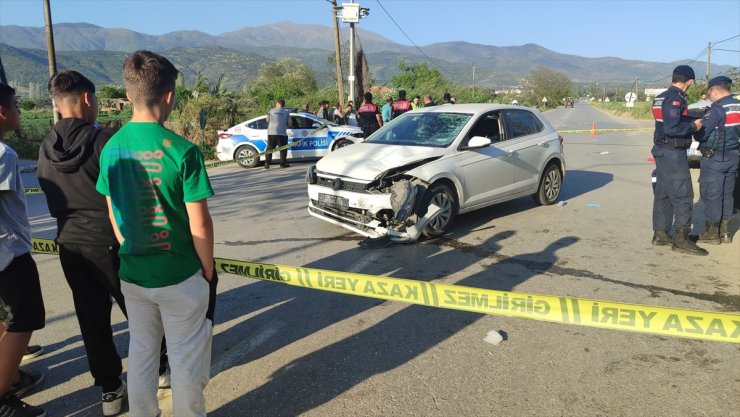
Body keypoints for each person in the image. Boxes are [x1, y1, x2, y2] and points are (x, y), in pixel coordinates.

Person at [37, 70, 168, 416]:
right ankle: (161, 368)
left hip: (69, 242)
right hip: (109, 241)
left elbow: (51, 199)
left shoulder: (46, 145)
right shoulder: (104, 141)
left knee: (91, 318)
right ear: (86, 99)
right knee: (139, 309)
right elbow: (129, 193)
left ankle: (109, 389)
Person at [96, 50, 217, 417]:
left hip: (133, 274)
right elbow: (200, 225)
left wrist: (130, 249)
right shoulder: (184, 152)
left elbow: (114, 214)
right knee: (184, 360)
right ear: (168, 95)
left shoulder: (111, 148)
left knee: (142, 353)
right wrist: (207, 272)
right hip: (179, 276)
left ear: (129, 94)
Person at [0, 83, 46, 416]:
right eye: (16, 105)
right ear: (2, 112)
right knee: (22, 321)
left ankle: (11, 377)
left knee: (3, 319)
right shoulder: (3, 155)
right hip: (8, 255)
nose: (19, 111)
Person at [650, 65, 705, 255]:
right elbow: (672, 128)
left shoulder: (661, 96)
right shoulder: (675, 98)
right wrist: (694, 126)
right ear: (689, 81)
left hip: (662, 150)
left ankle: (661, 233)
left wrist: (689, 119)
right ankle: (682, 238)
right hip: (672, 152)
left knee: (663, 193)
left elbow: (669, 122)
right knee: (683, 194)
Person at [696, 76, 739, 244]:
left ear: (715, 91)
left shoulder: (717, 109)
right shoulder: (737, 105)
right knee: (728, 194)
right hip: (734, 155)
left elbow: (702, 133)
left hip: (715, 157)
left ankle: (712, 234)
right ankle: (725, 233)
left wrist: (697, 125)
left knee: (712, 194)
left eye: (710, 93)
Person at [265, 99, 292, 169]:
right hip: (282, 133)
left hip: (271, 133)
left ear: (277, 104)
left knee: (269, 149)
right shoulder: (286, 112)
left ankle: (267, 163)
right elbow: (290, 123)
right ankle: (282, 164)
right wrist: (287, 125)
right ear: (283, 105)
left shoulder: (271, 111)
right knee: (283, 149)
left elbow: (267, 120)